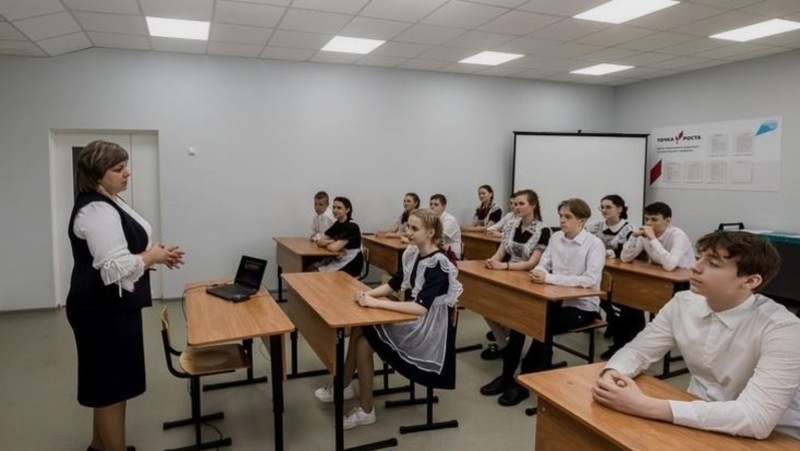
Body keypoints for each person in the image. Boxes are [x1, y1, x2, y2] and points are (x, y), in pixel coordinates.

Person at [593, 231, 800, 441]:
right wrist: (613, 373)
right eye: (698, 257)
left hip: (775, 437)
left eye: (713, 264)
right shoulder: (683, 303)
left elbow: (756, 418)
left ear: (750, 281)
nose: (695, 267)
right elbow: (638, 350)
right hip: (698, 415)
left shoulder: (783, 329)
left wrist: (643, 405)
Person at [66, 140, 185, 451]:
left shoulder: (111, 201)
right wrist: (150, 257)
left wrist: (153, 255)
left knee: (109, 385)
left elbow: (122, 254)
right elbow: (114, 268)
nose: (127, 173)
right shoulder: (96, 210)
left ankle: (99, 446)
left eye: (125, 166)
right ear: (97, 174)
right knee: (110, 388)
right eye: (118, 169)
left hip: (110, 306)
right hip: (100, 310)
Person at [313, 208, 462, 430]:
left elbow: (421, 309)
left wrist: (375, 303)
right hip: (413, 319)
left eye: (414, 228)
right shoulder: (413, 253)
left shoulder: (438, 262)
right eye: (408, 227)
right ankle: (343, 386)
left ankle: (366, 410)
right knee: (359, 329)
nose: (408, 232)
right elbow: (394, 284)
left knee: (364, 344)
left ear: (431, 232)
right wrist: (367, 294)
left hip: (428, 331)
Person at [482, 198, 604, 406]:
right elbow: (543, 263)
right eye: (561, 216)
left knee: (540, 326)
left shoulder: (594, 244)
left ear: (582, 220)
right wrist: (538, 272)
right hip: (552, 301)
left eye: (568, 217)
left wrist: (549, 278)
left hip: (581, 308)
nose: (562, 220)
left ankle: (523, 381)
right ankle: (506, 375)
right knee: (520, 320)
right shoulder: (556, 238)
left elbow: (589, 280)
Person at [602, 201, 695, 359]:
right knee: (628, 300)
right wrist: (634, 237)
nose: (649, 223)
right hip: (660, 278)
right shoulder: (644, 235)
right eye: (646, 219)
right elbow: (625, 258)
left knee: (638, 301)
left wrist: (652, 239)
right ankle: (626, 343)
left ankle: (637, 343)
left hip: (683, 285)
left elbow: (670, 265)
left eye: (654, 219)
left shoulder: (678, 235)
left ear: (667, 220)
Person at [479, 189, 550, 362]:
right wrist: (492, 260)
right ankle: (503, 344)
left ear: (533, 205)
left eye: (521, 204)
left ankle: (507, 340)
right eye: (515, 204)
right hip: (508, 273)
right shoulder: (511, 225)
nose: (517, 207)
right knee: (485, 305)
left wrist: (504, 266)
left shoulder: (543, 230)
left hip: (527, 277)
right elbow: (501, 252)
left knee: (510, 312)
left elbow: (531, 263)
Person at [585, 194, 636, 338]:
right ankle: (610, 320)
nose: (604, 210)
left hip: (618, 272)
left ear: (619, 209)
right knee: (597, 293)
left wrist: (613, 253)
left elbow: (627, 251)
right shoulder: (594, 226)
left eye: (608, 207)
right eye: (602, 207)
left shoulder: (629, 229)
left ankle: (615, 323)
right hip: (597, 268)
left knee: (613, 297)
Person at [314, 196, 364, 277]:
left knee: (316, 273)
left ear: (347, 210)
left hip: (352, 263)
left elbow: (333, 248)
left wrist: (331, 244)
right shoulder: (337, 224)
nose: (335, 210)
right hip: (339, 258)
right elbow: (320, 241)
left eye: (339, 208)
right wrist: (333, 241)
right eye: (334, 207)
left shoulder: (352, 226)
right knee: (311, 267)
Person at [429, 194, 462, 259]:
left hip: (451, 255)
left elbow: (437, 237)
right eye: (431, 204)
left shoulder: (450, 220)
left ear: (443, 207)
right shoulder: (432, 218)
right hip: (439, 251)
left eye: (436, 204)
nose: (432, 207)